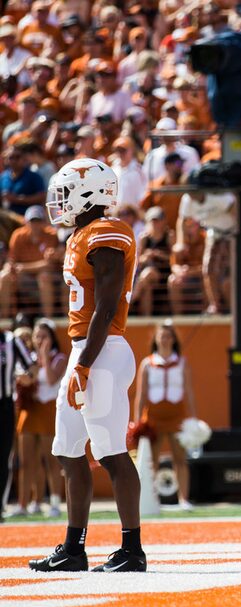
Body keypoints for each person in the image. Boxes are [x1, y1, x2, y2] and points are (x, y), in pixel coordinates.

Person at [30, 158, 145, 572]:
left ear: (89, 193)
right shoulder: (80, 235)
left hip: (102, 351)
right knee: (67, 451)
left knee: (112, 452)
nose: (59, 202)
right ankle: (73, 548)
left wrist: (84, 363)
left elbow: (107, 306)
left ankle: (132, 549)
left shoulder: (106, 232)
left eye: (65, 193)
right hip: (87, 352)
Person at [133, 322, 196, 511]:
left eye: (169, 336)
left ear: (174, 339)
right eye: (162, 335)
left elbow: (189, 392)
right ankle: (152, 500)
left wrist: (193, 419)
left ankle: (184, 499)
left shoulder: (182, 362)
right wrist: (138, 422)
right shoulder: (147, 363)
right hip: (153, 416)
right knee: (152, 460)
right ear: (156, 338)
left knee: (180, 458)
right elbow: (141, 395)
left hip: (177, 415)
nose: (165, 339)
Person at [14, 319, 66, 518]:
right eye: (37, 336)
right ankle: (23, 504)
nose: (39, 340)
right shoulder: (27, 358)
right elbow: (21, 379)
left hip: (49, 410)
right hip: (30, 408)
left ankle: (53, 502)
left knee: (50, 459)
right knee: (26, 461)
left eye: (44, 336)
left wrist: (43, 356)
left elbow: (52, 379)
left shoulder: (59, 358)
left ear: (52, 338)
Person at [0, 326, 37, 522]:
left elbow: (32, 366)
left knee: (3, 456)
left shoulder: (11, 341)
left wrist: (28, 378)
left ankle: (0, 507)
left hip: (4, 404)